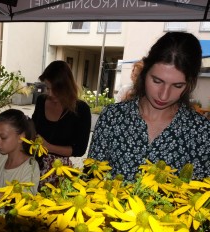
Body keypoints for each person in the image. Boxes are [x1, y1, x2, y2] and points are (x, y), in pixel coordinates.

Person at [88, 32, 210, 181]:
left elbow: (202, 192)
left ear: (190, 83)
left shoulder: (201, 131)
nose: (163, 95)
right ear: (145, 72)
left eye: (177, 85)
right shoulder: (112, 117)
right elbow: (91, 177)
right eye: (157, 81)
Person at [31, 60, 92, 185]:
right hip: (32, 166)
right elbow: (33, 127)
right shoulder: (42, 101)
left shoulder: (81, 109)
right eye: (47, 88)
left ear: (67, 87)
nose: (50, 94)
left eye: (56, 89)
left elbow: (79, 150)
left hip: (60, 173)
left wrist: (49, 147)